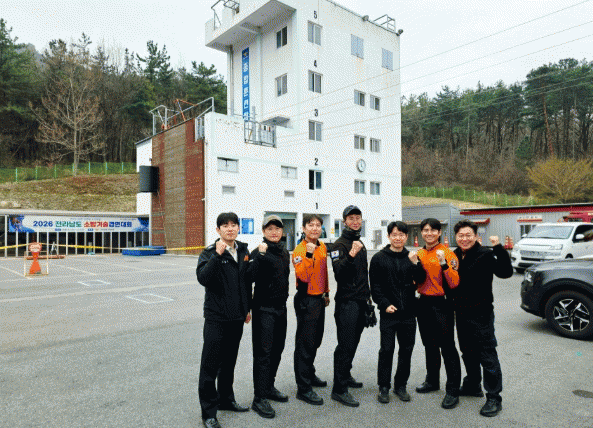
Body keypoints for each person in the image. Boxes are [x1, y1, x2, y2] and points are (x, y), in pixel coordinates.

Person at [196, 212, 252, 428]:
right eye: (225, 225)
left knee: (229, 363)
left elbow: (245, 283)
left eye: (233, 225)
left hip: (236, 318)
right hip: (216, 318)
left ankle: (226, 400)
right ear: (218, 230)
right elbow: (203, 278)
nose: (230, 229)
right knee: (210, 366)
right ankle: (209, 413)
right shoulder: (210, 252)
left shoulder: (243, 251)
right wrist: (217, 256)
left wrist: (246, 309)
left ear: (238, 228)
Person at [453, 220, 513, 417]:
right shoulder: (454, 255)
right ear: (456, 237)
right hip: (461, 312)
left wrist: (499, 248)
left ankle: (494, 397)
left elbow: (505, 272)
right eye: (461, 235)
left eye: (468, 235)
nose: (464, 239)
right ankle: (472, 385)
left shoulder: (485, 254)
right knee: (467, 351)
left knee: (486, 354)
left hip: (481, 313)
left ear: (476, 236)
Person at [370, 221, 426, 404]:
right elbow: (375, 286)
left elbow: (421, 279)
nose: (398, 238)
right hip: (389, 313)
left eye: (401, 235)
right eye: (394, 234)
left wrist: (415, 263)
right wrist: (384, 303)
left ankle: (400, 385)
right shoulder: (378, 258)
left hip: (408, 313)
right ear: (388, 236)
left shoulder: (412, 256)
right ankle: (383, 386)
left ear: (406, 237)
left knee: (406, 351)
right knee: (386, 350)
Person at [415, 218, 462, 409]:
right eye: (426, 230)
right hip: (423, 303)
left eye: (433, 230)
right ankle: (432, 381)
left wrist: (443, 263)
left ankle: (453, 390)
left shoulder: (448, 254)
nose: (429, 233)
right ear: (421, 233)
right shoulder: (419, 253)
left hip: (442, 303)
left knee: (447, 347)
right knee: (429, 345)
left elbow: (454, 282)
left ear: (439, 232)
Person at [249, 215, 291, 419]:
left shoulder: (284, 252)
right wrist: (260, 256)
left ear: (282, 231)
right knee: (263, 354)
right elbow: (248, 277)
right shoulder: (258, 252)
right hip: (264, 310)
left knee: (277, 350)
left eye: (277, 229)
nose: (274, 232)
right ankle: (259, 398)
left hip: (281, 309)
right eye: (270, 229)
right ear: (264, 231)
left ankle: (269, 386)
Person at [329, 205, 370, 407]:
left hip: (361, 301)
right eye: (351, 218)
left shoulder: (359, 241)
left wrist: (368, 300)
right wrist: (352, 254)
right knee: (345, 345)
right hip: (347, 303)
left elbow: (363, 275)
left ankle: (345, 374)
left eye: (358, 218)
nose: (355, 221)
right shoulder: (339, 245)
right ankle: (339, 389)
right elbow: (339, 274)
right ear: (344, 221)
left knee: (353, 343)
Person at [292, 213, 330, 406]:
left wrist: (326, 292)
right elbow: (304, 276)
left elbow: (323, 272)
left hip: (319, 298)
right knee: (305, 344)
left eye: (318, 225)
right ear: (304, 228)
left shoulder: (322, 246)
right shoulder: (299, 250)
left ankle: (309, 373)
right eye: (311, 225)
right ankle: (303, 388)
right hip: (306, 299)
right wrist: (308, 254)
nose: (315, 228)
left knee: (315, 340)